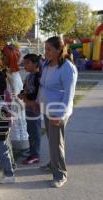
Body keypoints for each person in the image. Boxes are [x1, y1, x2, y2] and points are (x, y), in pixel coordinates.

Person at [38, 36, 78, 188]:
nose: (46, 52)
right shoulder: (47, 63)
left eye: (49, 49)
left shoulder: (68, 68)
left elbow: (69, 94)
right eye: (45, 48)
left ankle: (60, 174)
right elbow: (43, 85)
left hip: (58, 111)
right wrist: (37, 101)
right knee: (52, 140)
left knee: (56, 142)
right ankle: (52, 163)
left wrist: (60, 115)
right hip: (47, 108)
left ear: (59, 49)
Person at [1, 44, 29, 153]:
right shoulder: (8, 72)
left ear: (10, 58)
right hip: (10, 103)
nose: (2, 58)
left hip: (14, 104)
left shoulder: (13, 75)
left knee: (17, 124)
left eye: (4, 56)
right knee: (12, 125)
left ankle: (21, 146)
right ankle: (15, 145)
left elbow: (16, 91)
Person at [19, 54, 42, 165]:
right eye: (24, 63)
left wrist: (26, 97)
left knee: (34, 132)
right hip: (28, 107)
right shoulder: (29, 76)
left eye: (27, 63)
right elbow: (25, 89)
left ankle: (35, 155)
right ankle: (32, 151)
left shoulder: (38, 77)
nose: (25, 66)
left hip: (34, 108)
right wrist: (22, 94)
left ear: (35, 64)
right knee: (30, 131)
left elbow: (36, 93)